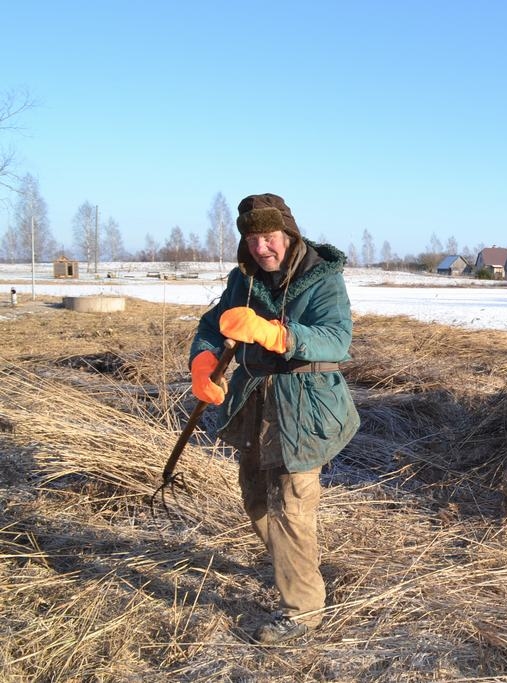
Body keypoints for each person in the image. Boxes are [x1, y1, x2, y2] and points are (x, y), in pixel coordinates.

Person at [189, 193, 360, 645]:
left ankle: (303, 610)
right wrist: (203, 361)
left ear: (288, 234)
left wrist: (276, 334)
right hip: (253, 403)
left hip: (305, 404)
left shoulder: (322, 278)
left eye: (268, 237)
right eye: (252, 239)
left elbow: (336, 339)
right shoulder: (242, 279)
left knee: (290, 505)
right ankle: (295, 567)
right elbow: (211, 327)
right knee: (255, 498)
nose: (261, 247)